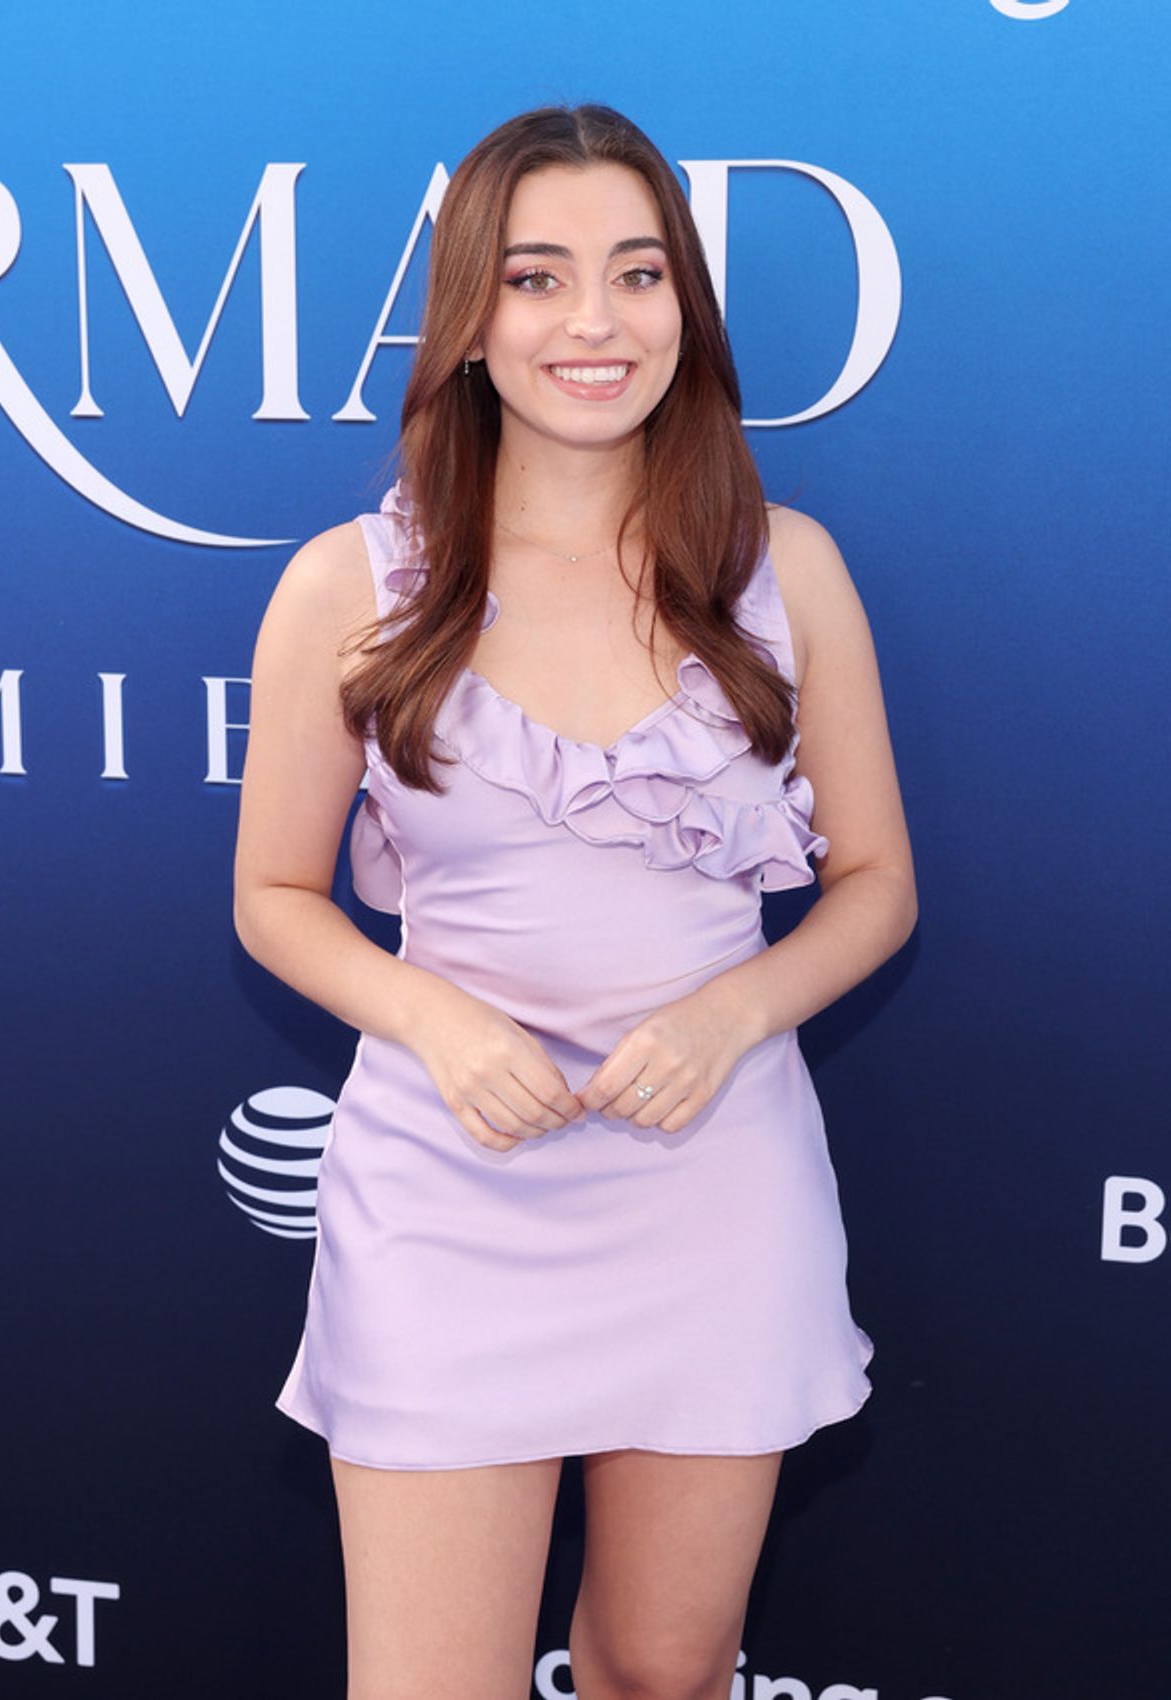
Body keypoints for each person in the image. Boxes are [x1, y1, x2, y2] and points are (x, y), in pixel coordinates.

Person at [233, 102, 916, 1700]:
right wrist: (435, 1022)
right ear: (470, 317)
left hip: (712, 1178)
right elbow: (275, 895)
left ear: (688, 303)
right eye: (537, 279)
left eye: (638, 273)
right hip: (448, 1189)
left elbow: (876, 886)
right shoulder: (351, 584)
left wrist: (737, 1008)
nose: (594, 323)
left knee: (666, 1675)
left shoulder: (785, 566)